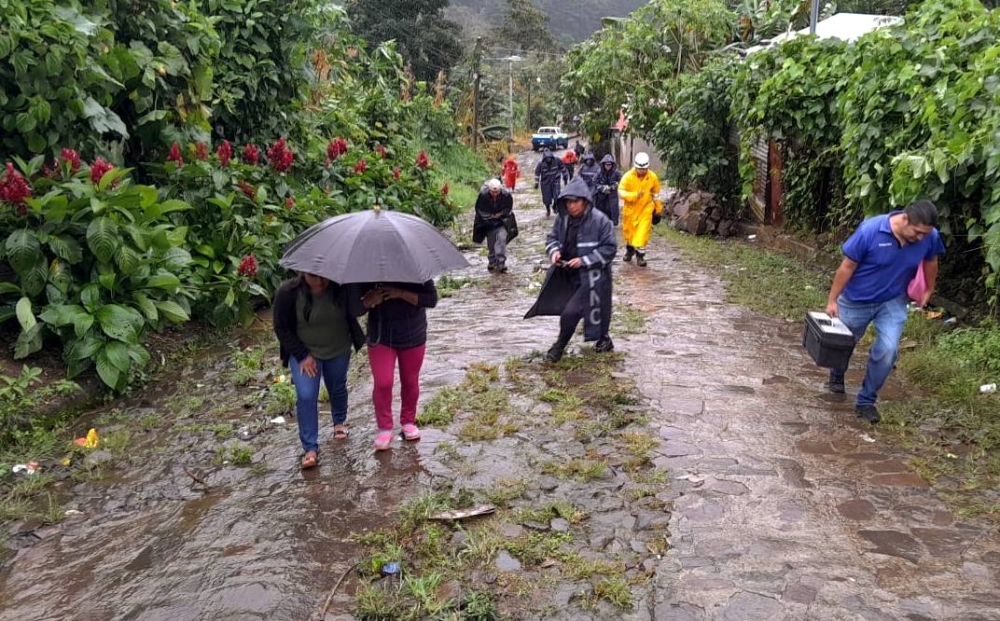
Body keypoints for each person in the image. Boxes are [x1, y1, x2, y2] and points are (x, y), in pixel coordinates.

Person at [825, 200, 945, 423]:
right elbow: (847, 266)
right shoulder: (870, 230)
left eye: (925, 234)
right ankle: (837, 372)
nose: (920, 238)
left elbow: (931, 260)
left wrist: (929, 288)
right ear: (905, 219)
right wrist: (833, 300)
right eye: (917, 232)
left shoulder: (930, 236)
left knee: (888, 349)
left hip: (893, 300)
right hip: (855, 300)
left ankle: (866, 401)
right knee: (843, 345)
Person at [273, 273, 365, 469]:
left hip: (338, 348)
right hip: (305, 354)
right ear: (303, 273)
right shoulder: (288, 293)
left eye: (324, 277)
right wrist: (302, 355)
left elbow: (357, 310)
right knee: (306, 395)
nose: (321, 282)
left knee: (337, 386)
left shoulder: (342, 286)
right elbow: (281, 328)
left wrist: (367, 298)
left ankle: (339, 422)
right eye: (314, 277)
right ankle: (310, 447)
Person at [543, 177, 617, 362]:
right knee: (581, 308)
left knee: (573, 312)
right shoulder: (563, 220)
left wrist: (584, 260)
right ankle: (604, 339)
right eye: (568, 202)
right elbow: (552, 239)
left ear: (584, 201)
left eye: (575, 201)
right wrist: (554, 252)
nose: (571, 206)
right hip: (567, 274)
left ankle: (558, 348)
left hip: (593, 276)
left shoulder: (601, 221)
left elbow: (609, 249)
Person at [359, 280, 439, 451]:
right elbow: (354, 308)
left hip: (413, 334)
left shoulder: (416, 270)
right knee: (383, 382)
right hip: (380, 335)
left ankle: (408, 422)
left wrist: (400, 293)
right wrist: (369, 301)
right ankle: (385, 428)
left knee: (410, 381)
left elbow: (431, 300)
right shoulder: (368, 272)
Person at [617, 152, 663, 267]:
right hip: (630, 210)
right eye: (640, 169)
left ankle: (640, 256)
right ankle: (629, 250)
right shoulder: (627, 177)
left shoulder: (652, 177)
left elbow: (656, 194)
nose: (642, 171)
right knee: (629, 234)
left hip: (645, 210)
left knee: (642, 234)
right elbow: (621, 192)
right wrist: (635, 195)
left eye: (644, 169)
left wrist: (658, 210)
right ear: (635, 167)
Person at [473, 179, 514, 273]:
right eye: (493, 192)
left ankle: (501, 262)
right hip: (488, 223)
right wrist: (490, 216)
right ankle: (492, 261)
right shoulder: (483, 196)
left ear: (500, 190)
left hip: (501, 222)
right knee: (491, 243)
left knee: (501, 238)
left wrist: (500, 214)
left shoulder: (506, 195)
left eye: (497, 192)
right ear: (489, 190)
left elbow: (508, 208)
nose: (495, 194)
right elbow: (479, 210)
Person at [534, 149, 569, 217]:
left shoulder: (557, 161)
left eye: (550, 158)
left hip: (555, 181)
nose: (548, 160)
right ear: (544, 158)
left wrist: (565, 178)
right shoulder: (540, 164)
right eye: (547, 158)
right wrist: (536, 183)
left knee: (557, 195)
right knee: (547, 198)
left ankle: (555, 206)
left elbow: (563, 169)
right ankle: (548, 210)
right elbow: (537, 173)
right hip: (545, 183)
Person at [593, 154, 622, 225]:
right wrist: (602, 188)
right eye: (606, 165)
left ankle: (613, 223)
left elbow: (622, 181)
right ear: (603, 165)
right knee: (601, 209)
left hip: (612, 194)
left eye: (609, 165)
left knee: (612, 209)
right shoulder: (599, 172)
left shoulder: (616, 172)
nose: (608, 166)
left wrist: (613, 187)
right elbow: (594, 181)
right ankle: (601, 223)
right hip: (601, 195)